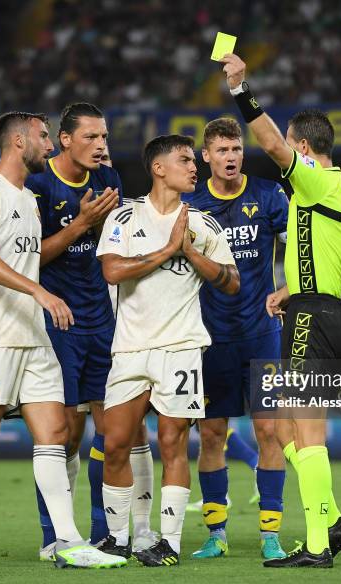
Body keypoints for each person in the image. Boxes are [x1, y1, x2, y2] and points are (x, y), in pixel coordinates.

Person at [0, 111, 126, 569]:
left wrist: (81, 228)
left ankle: (68, 542)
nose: (49, 145)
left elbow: (34, 255)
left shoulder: (27, 198)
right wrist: (41, 291)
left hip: (36, 335)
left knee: (56, 434)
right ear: (19, 141)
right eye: (44, 137)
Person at [220, 53, 341, 568]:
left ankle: (319, 544)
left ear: (304, 147)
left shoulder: (318, 181)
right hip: (326, 314)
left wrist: (241, 90)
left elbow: (271, 144)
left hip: (313, 321)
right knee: (286, 429)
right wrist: (288, 289)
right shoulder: (339, 192)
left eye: (293, 149)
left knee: (305, 431)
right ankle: (329, 519)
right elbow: (320, 252)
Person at [96, 134, 240, 567]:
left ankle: (169, 544)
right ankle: (118, 539)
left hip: (181, 347)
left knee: (173, 443)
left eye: (194, 161)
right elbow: (112, 271)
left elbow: (232, 282)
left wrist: (190, 253)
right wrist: (166, 251)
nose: (195, 167)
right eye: (184, 160)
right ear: (158, 168)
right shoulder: (124, 217)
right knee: (117, 443)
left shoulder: (205, 224)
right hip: (130, 349)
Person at [25, 102, 157, 558]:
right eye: (92, 137)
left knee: (115, 428)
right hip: (57, 321)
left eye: (105, 137)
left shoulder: (109, 180)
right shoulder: (38, 185)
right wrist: (81, 222)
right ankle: (53, 536)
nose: (102, 146)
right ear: (65, 139)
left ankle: (105, 532)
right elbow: (29, 258)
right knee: (62, 434)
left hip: (102, 319)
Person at [182, 118, 289, 560]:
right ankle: (216, 534)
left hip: (262, 334)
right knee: (211, 435)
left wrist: (289, 288)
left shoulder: (268, 195)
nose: (231, 157)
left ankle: (271, 534)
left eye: (237, 149)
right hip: (210, 338)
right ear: (206, 156)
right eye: (222, 150)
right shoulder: (190, 202)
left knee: (269, 431)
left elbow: (302, 245)